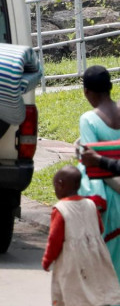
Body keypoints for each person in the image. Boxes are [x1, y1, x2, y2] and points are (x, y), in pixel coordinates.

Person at [44, 165, 120, 306]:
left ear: (60, 185)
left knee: (68, 293)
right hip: (94, 254)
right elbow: (100, 228)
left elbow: (54, 239)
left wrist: (47, 260)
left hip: (70, 259)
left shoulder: (60, 209)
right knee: (93, 290)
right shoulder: (91, 204)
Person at [78, 64, 120, 282]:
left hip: (107, 197)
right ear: (110, 87)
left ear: (86, 92)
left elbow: (90, 165)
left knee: (104, 262)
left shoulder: (89, 119)